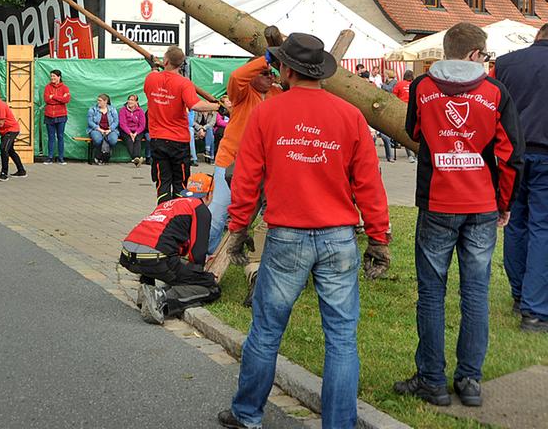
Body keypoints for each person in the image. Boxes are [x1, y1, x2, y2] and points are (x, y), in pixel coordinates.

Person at [218, 33, 390, 429]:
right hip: (339, 237)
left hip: (287, 236)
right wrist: (378, 238)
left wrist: (239, 227)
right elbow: (369, 184)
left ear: (288, 69)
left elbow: (246, 179)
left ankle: (246, 416)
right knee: (342, 338)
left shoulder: (267, 113)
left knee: (266, 330)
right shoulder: (349, 116)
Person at [394, 22, 523, 408]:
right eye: (483, 55)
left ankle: (432, 380)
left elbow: (414, 131)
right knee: (476, 293)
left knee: (432, 294)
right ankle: (469, 381)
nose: (485, 61)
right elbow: (510, 155)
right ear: (473, 55)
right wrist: (504, 204)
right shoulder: (495, 92)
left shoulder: (421, 87)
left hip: (437, 203)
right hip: (482, 205)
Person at [498, 22, 548, 334]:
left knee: (514, 222)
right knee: (542, 227)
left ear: (537, 37)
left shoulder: (506, 63)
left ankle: (520, 294)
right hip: (545, 151)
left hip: (511, 153)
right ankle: (534, 309)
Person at [120, 171, 222, 324]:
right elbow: (197, 253)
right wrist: (201, 273)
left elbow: (166, 236)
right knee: (210, 287)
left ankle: (147, 286)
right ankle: (161, 297)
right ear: (209, 194)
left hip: (128, 255)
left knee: (170, 263)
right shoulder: (200, 209)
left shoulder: (169, 203)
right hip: (155, 260)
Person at [209, 50, 282, 252]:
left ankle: (255, 255)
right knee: (218, 212)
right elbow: (236, 76)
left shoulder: (278, 94)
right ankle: (200, 255)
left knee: (266, 215)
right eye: (264, 73)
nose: (270, 77)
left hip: (263, 167)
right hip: (230, 161)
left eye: (271, 73)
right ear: (252, 75)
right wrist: (266, 59)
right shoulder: (242, 93)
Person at [144, 46, 219, 204]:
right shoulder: (184, 83)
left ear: (165, 61)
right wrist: (217, 107)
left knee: (162, 183)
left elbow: (153, 76)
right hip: (179, 141)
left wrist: (153, 67)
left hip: (158, 140)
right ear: (181, 64)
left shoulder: (151, 78)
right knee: (181, 184)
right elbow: (195, 105)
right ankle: (179, 217)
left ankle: (163, 215)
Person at [0, 84, 25, 180]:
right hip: (4, 131)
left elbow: (1, 123)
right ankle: (21, 171)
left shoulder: (0, 105)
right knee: (10, 150)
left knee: (3, 148)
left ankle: (4, 173)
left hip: (11, 130)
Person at [42, 69, 70, 164]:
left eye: (54, 76)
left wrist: (53, 96)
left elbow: (66, 100)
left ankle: (61, 158)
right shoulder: (47, 87)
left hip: (61, 115)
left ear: (59, 77)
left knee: (60, 136)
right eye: (51, 76)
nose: (52, 78)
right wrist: (60, 99)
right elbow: (46, 99)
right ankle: (50, 157)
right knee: (51, 137)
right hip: (49, 115)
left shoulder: (65, 88)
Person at [391, 70, 416, 162]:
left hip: (401, 109)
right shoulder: (414, 85)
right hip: (412, 110)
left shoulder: (399, 84)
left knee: (405, 132)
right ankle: (416, 154)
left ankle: (410, 155)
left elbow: (394, 97)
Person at [86, 93, 119, 164]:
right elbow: (90, 122)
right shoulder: (92, 109)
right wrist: (99, 129)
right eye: (98, 100)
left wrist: (110, 130)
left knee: (113, 140)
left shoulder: (112, 109)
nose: (98, 102)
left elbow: (116, 122)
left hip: (110, 130)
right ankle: (99, 156)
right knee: (98, 139)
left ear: (105, 101)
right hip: (96, 129)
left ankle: (105, 155)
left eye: (100, 100)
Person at [118, 94, 150, 166]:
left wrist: (135, 133)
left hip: (137, 131)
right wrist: (130, 133)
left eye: (132, 100)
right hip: (125, 131)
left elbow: (142, 125)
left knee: (138, 139)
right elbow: (122, 124)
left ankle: (136, 159)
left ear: (136, 102)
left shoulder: (140, 111)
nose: (130, 101)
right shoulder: (123, 110)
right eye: (129, 100)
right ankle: (136, 158)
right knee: (129, 140)